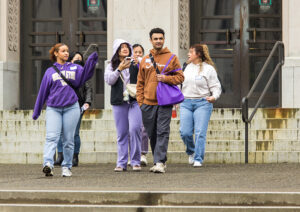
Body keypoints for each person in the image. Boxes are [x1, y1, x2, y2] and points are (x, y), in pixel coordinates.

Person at [32, 43, 98, 177]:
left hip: (71, 107)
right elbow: (43, 92)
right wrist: (37, 111)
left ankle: (66, 167)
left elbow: (86, 75)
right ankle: (48, 164)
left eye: (67, 51)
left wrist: (92, 59)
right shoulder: (50, 71)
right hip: (53, 108)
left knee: (68, 139)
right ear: (56, 53)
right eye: (63, 51)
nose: (66, 53)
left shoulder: (76, 68)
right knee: (52, 137)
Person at [136, 28, 184, 173]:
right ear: (151, 40)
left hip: (164, 103)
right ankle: (159, 159)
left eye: (161, 38)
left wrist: (166, 78)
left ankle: (160, 162)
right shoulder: (145, 59)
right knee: (152, 133)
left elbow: (181, 77)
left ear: (164, 40)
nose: (158, 41)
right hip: (147, 103)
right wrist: (141, 102)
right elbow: (140, 82)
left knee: (163, 131)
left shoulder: (172, 57)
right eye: (155, 38)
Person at [180, 44, 221, 167]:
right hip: (186, 102)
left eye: (191, 52)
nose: (188, 54)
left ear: (198, 54)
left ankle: (198, 158)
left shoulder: (209, 69)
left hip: (203, 103)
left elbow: (216, 86)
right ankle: (191, 151)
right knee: (185, 132)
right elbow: (179, 84)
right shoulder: (185, 67)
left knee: (199, 132)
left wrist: (214, 96)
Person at [104, 39, 142, 172]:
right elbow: (109, 80)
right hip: (119, 102)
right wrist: (119, 69)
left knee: (135, 129)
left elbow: (147, 73)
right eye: (122, 47)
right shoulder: (111, 65)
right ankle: (121, 162)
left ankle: (136, 161)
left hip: (135, 100)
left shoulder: (136, 62)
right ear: (117, 50)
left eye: (127, 47)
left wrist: (139, 63)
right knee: (122, 133)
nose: (125, 49)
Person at [54, 51, 93, 167]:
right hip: (62, 104)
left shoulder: (83, 73)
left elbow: (88, 89)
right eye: (76, 59)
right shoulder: (63, 71)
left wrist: (87, 102)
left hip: (77, 106)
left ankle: (74, 157)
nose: (78, 61)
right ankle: (60, 156)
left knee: (74, 133)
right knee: (60, 132)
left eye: (80, 59)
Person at [129, 44, 149, 166]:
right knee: (131, 129)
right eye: (135, 52)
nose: (137, 54)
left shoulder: (146, 64)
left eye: (140, 52)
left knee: (143, 128)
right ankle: (132, 154)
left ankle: (143, 153)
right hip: (130, 98)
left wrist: (140, 62)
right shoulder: (127, 65)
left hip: (144, 97)